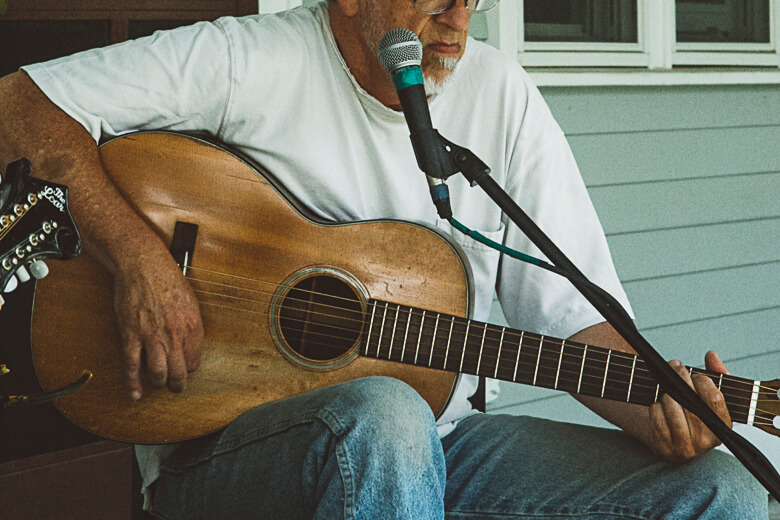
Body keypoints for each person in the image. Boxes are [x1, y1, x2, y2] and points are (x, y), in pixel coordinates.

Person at [0, 0, 768, 518]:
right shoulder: (249, 58)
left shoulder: (503, 97)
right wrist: (140, 260)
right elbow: (19, 105)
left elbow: (569, 320)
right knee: (386, 415)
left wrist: (659, 409)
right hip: (220, 450)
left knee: (718, 490)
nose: (455, 22)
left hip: (446, 448)